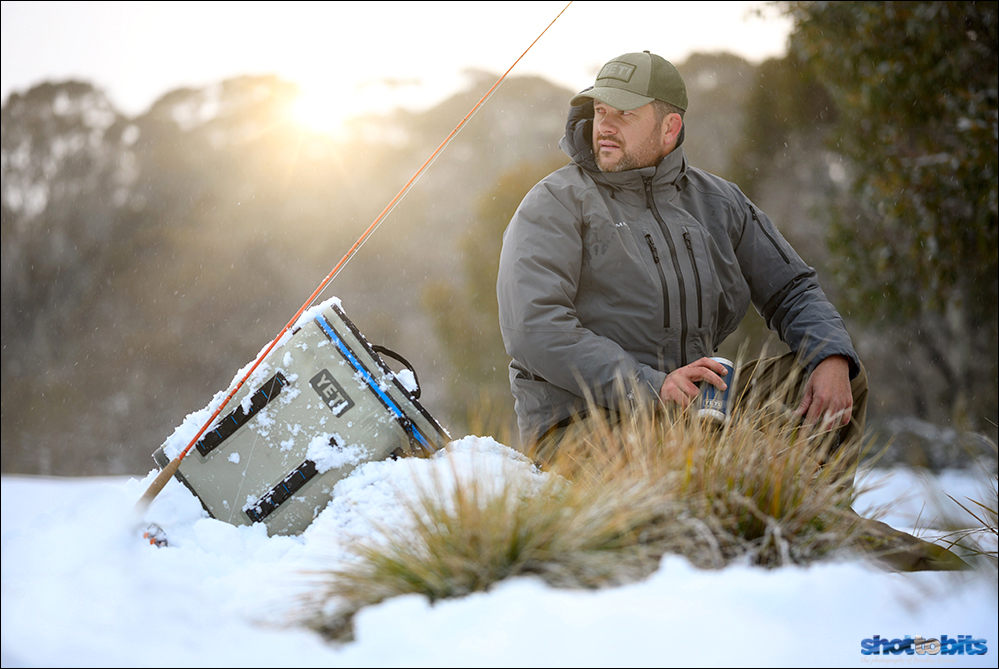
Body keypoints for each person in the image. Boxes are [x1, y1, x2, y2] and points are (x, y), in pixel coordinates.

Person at [496, 51, 868, 464]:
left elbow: (792, 289)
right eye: (601, 110)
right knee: (688, 477)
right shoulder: (554, 202)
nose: (605, 125)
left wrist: (830, 354)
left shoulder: (719, 201)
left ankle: (811, 519)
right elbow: (534, 328)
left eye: (625, 113)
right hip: (582, 423)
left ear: (669, 127)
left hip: (694, 406)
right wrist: (652, 387)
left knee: (838, 374)